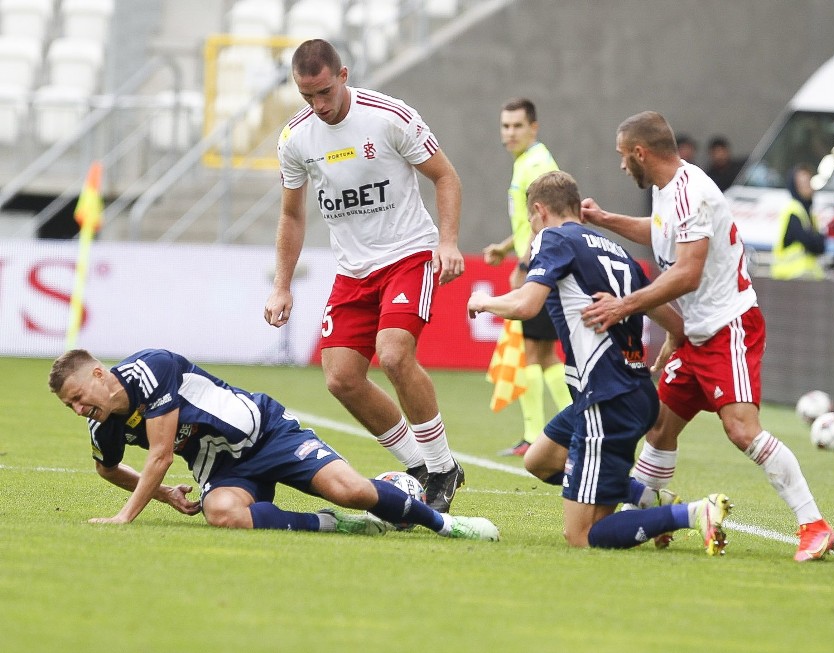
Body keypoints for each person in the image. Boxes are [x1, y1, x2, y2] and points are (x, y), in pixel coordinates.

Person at [580, 111, 834, 561]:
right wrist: (605, 219)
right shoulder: (666, 191)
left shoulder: (691, 192)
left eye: (624, 157)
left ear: (641, 153)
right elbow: (660, 235)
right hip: (699, 334)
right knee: (659, 426)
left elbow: (688, 273)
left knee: (741, 431)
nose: (622, 166)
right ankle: (655, 515)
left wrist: (625, 304)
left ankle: (814, 524)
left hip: (728, 327)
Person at [468, 170, 731, 553]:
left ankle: (693, 514)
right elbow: (676, 323)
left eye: (530, 220)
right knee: (540, 460)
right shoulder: (616, 250)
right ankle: (649, 499)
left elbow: (526, 304)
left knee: (584, 536)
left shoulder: (552, 238)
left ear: (539, 211)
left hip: (606, 399)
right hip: (631, 390)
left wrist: (484, 301)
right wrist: (664, 349)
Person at [263, 39, 465, 512]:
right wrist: (282, 284)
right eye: (306, 96)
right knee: (341, 379)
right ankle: (419, 466)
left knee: (394, 355)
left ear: (344, 75)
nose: (318, 106)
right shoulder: (296, 138)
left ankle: (442, 467)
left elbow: (446, 176)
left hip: (407, 255)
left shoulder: (389, 116)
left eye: (325, 92)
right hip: (352, 270)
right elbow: (292, 216)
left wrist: (448, 242)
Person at [47, 348, 499, 541]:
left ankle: (445, 524)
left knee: (354, 490)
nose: (79, 410)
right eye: (71, 406)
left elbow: (162, 454)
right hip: (222, 469)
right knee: (221, 513)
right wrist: (165, 495)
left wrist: (126, 517)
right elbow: (106, 468)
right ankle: (337, 525)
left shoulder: (151, 369)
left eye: (79, 398)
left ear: (99, 375)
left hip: (266, 433)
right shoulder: (103, 425)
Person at [483, 98, 572, 456]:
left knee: (536, 352)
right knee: (542, 352)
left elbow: (547, 218)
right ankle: (559, 428)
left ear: (533, 127)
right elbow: (530, 219)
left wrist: (523, 266)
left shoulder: (535, 165)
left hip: (540, 264)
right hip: (540, 261)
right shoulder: (529, 162)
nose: (510, 133)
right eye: (505, 126)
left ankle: (538, 434)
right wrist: (507, 248)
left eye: (517, 126)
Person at [771, 163, 826, 280]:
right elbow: (811, 243)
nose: (808, 186)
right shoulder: (794, 211)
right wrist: (816, 240)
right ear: (795, 186)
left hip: (807, 276)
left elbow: (821, 246)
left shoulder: (809, 213)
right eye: (803, 183)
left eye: (809, 182)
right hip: (790, 277)